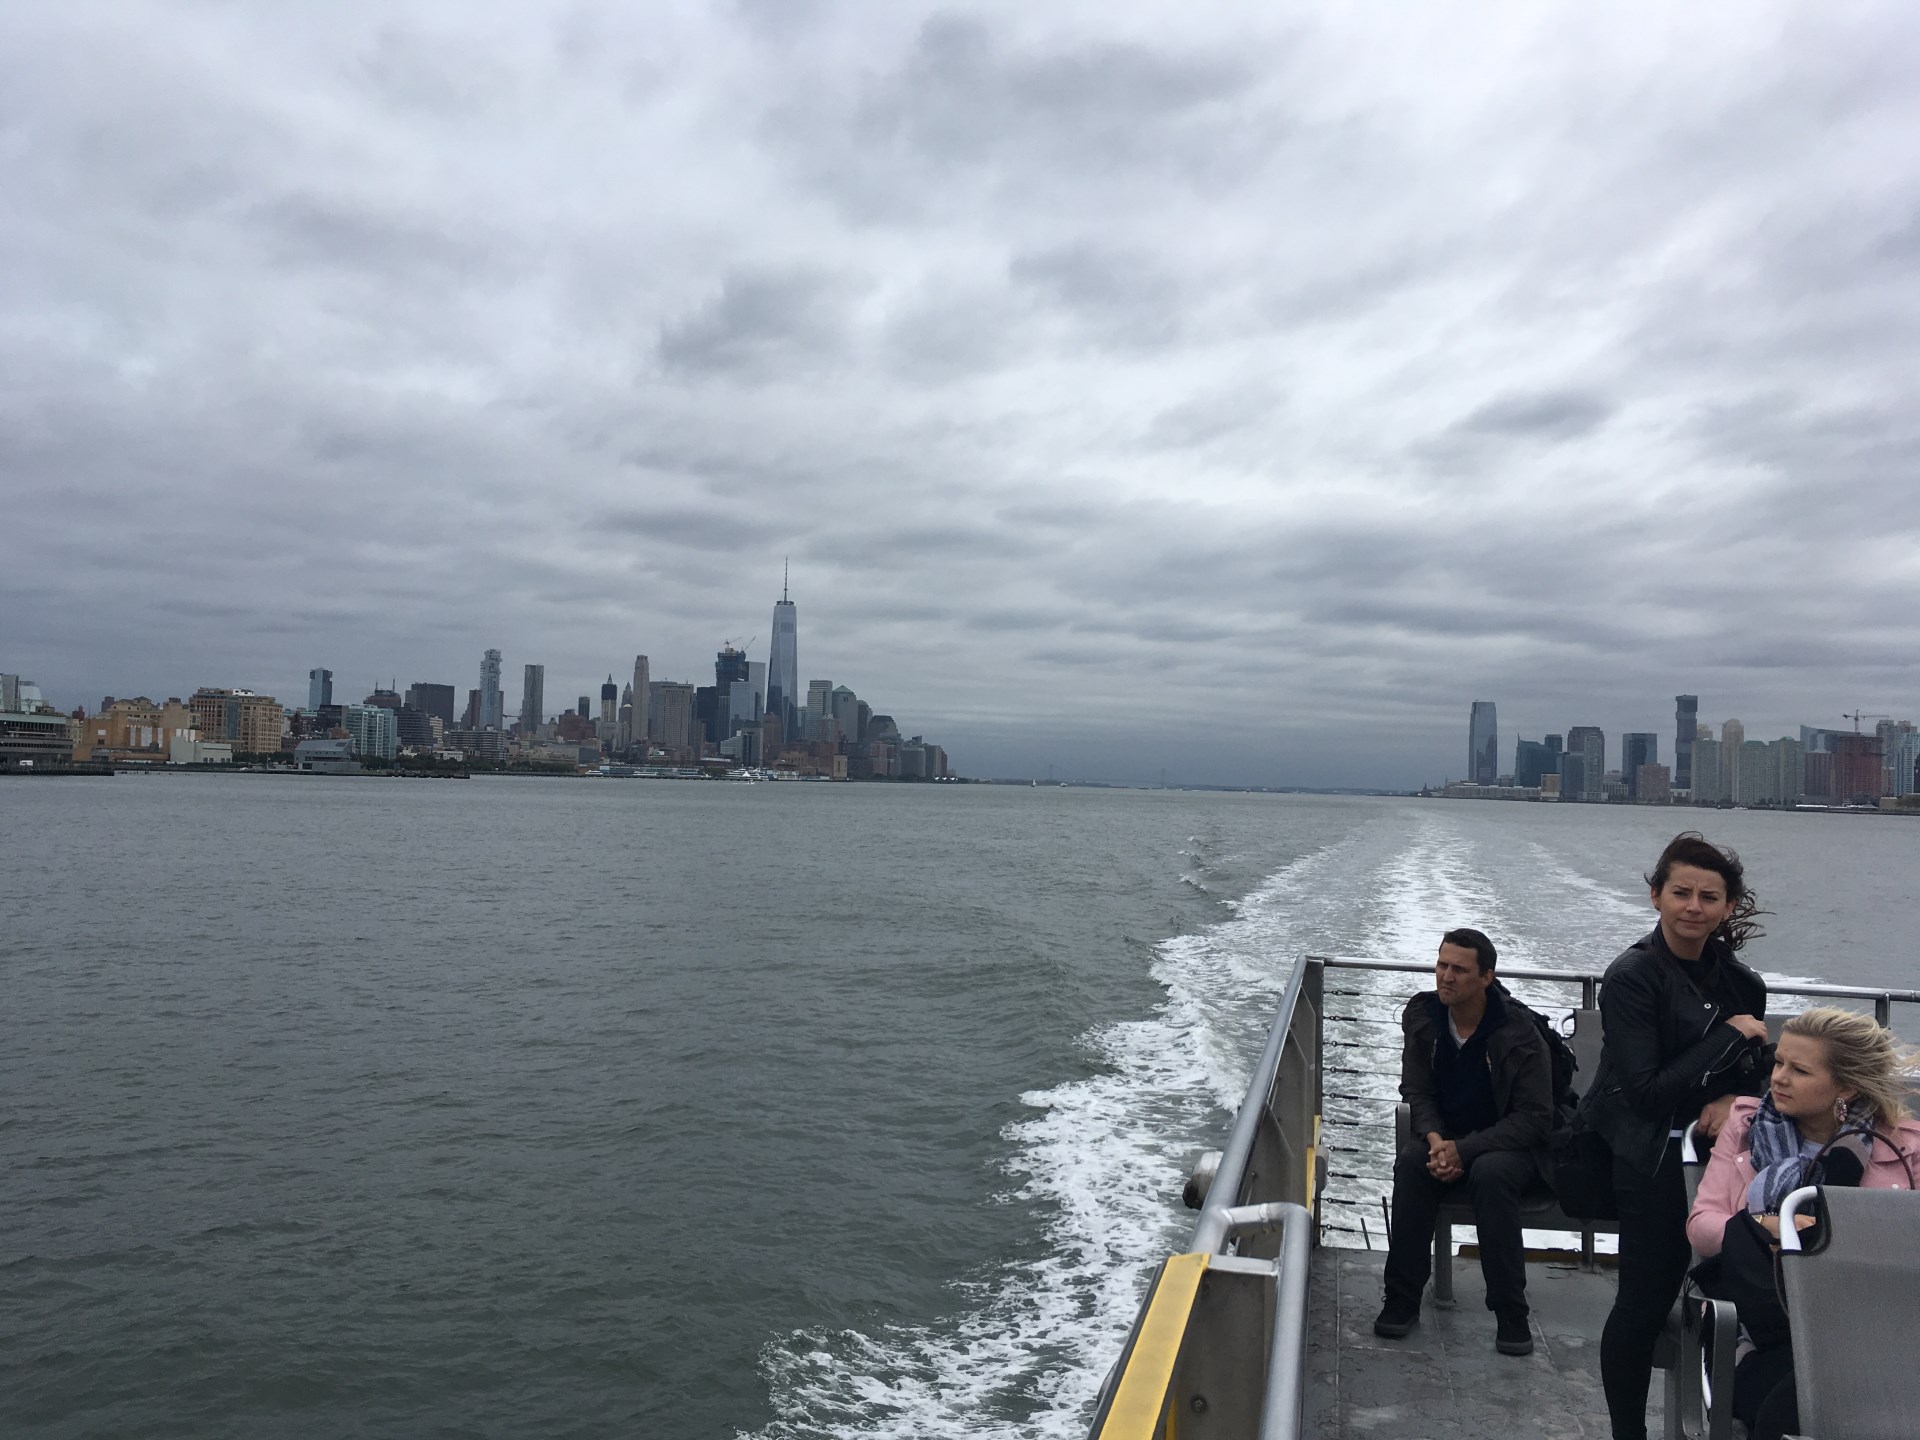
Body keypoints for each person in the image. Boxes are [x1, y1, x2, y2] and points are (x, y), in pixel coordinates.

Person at [1580, 832, 1770, 1440]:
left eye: (1709, 897)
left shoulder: (1741, 983)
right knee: (1643, 1301)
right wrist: (1729, 1036)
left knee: (1732, 1293)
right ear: (1656, 896)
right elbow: (1647, 1091)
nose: (1694, 907)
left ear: (1728, 906)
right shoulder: (1632, 976)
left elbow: (1751, 1076)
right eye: (1681, 892)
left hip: (1722, 1161)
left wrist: (1730, 1097)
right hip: (1650, 1158)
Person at [1686, 1007, 1920, 1440]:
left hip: (1871, 1329)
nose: (1779, 1078)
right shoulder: (1746, 1128)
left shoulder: (1905, 1148)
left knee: (1834, 1390)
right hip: (1758, 1329)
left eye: (1799, 1070)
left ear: (1846, 1086)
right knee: (1802, 1400)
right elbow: (1702, 1226)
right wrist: (1768, 1227)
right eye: (1779, 1062)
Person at [1374, 927, 1554, 1356]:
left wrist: (1465, 1149)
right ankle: (1401, 1299)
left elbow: (1535, 1118)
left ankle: (1511, 1312)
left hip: (1511, 1147)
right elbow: (1417, 1091)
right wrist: (1438, 1142)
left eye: (1459, 969)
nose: (1446, 977)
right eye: (1442, 965)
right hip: (1447, 1139)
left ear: (1486, 977)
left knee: (1491, 1174)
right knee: (1412, 1163)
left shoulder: (1518, 1031)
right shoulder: (1425, 1018)